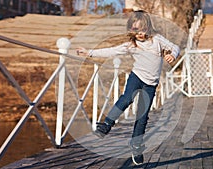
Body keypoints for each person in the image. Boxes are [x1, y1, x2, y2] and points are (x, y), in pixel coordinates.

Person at [77, 10, 180, 165]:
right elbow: (111, 51)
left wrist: (173, 54)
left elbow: (175, 47)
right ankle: (106, 125)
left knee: (142, 115)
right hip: (136, 77)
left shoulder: (157, 39)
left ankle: (137, 145)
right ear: (131, 29)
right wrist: (89, 53)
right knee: (126, 98)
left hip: (150, 84)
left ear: (148, 27)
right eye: (135, 30)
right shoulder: (130, 45)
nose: (139, 33)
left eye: (142, 29)